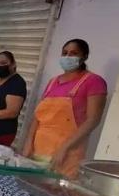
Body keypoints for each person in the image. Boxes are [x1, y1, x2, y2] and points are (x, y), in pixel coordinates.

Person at [23, 39, 107, 178]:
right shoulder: (52, 82)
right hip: (38, 150)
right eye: (65, 53)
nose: (68, 57)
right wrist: (28, 143)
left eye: (73, 53)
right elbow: (38, 117)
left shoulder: (93, 81)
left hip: (66, 155)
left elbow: (93, 120)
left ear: (84, 56)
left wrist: (64, 148)